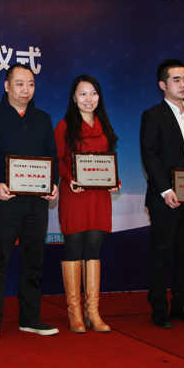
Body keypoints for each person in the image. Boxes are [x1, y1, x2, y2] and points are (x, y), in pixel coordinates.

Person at [0, 64, 59, 341]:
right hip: (5, 201)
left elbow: (52, 158)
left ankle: (30, 318)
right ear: (7, 86)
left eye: (31, 84)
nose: (26, 90)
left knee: (34, 261)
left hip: (36, 204)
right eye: (20, 84)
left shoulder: (43, 119)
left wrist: (53, 184)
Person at [139, 59, 184, 329]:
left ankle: (182, 304)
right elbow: (150, 156)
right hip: (165, 199)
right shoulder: (153, 115)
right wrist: (165, 189)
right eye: (176, 80)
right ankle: (159, 307)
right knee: (162, 253)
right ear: (163, 84)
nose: (183, 84)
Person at [53, 75, 119, 333]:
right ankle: (74, 311)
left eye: (93, 93)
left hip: (99, 197)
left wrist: (114, 180)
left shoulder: (104, 125)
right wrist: (69, 178)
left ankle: (93, 311)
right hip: (75, 195)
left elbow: (108, 161)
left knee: (93, 250)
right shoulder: (64, 126)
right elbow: (57, 159)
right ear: (74, 98)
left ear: (99, 97)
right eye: (82, 94)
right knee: (73, 249)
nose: (88, 99)